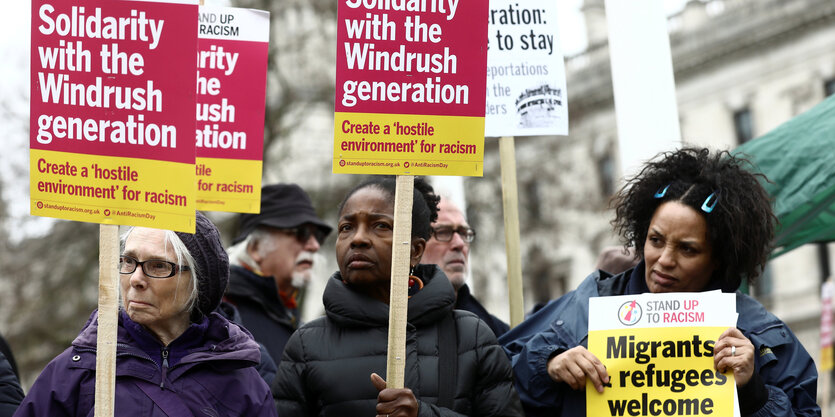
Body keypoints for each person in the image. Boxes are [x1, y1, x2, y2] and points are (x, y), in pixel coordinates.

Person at [499, 148, 820, 417]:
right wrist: (548, 364)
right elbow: (493, 382)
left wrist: (753, 393)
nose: (665, 259)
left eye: (687, 249)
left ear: (719, 258)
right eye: (656, 240)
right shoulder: (588, 303)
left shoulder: (763, 336)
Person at [274, 176, 523, 416]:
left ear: (415, 251)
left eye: (380, 225)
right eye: (346, 227)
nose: (358, 238)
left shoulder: (471, 337)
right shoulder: (306, 345)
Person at [14, 212, 277, 416]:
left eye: (158, 266)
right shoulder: (76, 371)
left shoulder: (241, 384)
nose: (136, 279)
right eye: (128, 261)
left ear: (199, 282)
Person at [224, 183, 331, 363]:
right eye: (302, 233)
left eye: (318, 236)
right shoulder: (223, 312)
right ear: (256, 248)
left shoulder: (290, 314)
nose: (314, 245)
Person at [421, 196, 510, 337]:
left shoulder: (497, 334)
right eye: (443, 232)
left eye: (464, 233)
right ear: (414, 247)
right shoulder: (389, 329)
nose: (459, 244)